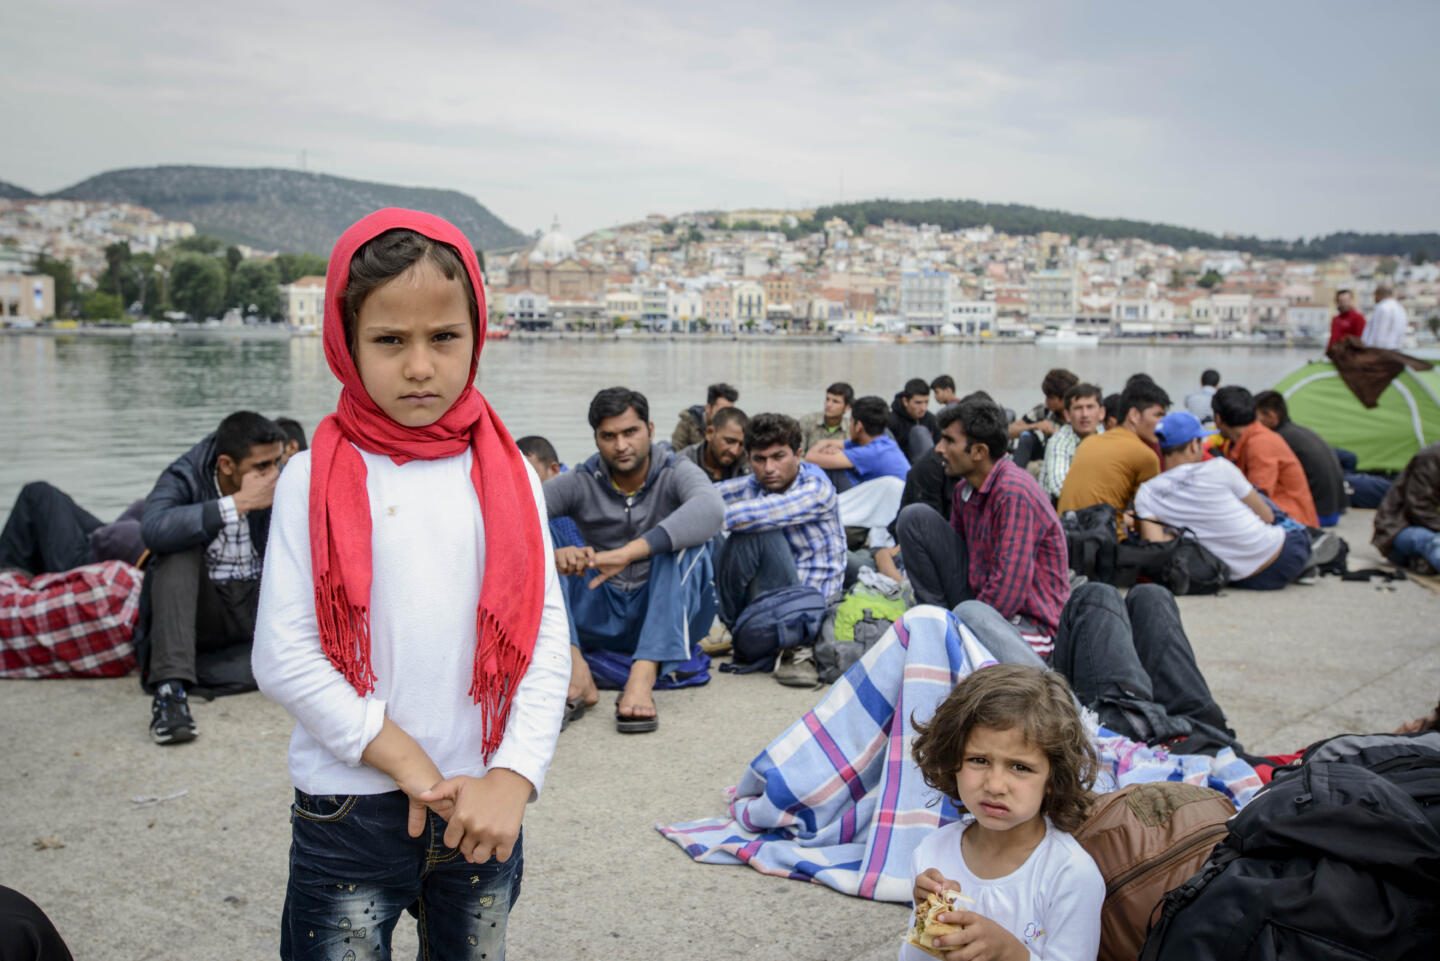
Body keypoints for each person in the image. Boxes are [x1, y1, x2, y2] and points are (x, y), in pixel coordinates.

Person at [250, 210, 571, 960]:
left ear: (476, 335)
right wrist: (408, 763)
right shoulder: (308, 478)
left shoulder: (512, 474)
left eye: (444, 337)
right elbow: (284, 654)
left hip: (483, 806)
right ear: (347, 343)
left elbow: (545, 637)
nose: (420, 366)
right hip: (350, 806)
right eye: (390, 341)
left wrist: (514, 777)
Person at [544, 387, 724, 733]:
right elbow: (512, 513)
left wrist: (629, 553)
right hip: (599, 608)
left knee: (691, 541)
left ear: (650, 430)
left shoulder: (675, 470)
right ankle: (576, 668)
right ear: (596, 439)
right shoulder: (581, 480)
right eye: (608, 436)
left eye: (630, 432)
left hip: (666, 610)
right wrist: (554, 555)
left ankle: (643, 675)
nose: (621, 445)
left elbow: (712, 510)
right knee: (539, 533)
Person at [906, 665, 1104, 961]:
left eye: (1020, 767)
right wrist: (926, 921)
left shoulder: (1070, 875)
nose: (995, 785)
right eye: (979, 760)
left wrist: (1010, 953)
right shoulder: (932, 852)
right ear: (951, 759)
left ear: (1053, 778)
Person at [140, 410, 287, 744]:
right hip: (205, 611)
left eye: (277, 462)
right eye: (262, 466)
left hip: (255, 605)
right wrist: (239, 503)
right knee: (175, 549)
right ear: (226, 465)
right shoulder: (185, 475)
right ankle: (170, 693)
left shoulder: (282, 479)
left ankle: (201, 671)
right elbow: (153, 528)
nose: (273, 474)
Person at [897, 397, 1070, 658]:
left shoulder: (1013, 491)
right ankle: (938, 623)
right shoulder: (964, 490)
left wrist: (966, 628)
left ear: (979, 451)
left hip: (1026, 624)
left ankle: (949, 636)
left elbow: (1008, 591)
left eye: (949, 441)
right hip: (979, 608)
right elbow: (957, 563)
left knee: (956, 640)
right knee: (915, 519)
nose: (939, 449)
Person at [715, 413, 845, 687]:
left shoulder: (816, 489)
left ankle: (794, 649)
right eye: (759, 459)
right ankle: (727, 626)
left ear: (798, 454)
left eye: (778, 457)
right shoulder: (755, 484)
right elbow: (708, 496)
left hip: (805, 611)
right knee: (707, 531)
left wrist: (696, 517)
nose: (769, 468)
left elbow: (757, 514)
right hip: (768, 605)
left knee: (756, 530)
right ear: (748, 459)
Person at [1135, 412, 1314, 590]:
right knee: (1266, 505)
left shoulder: (1147, 492)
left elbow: (1157, 545)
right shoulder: (1220, 467)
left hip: (1242, 579)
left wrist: (1174, 533)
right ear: (1193, 445)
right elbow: (1267, 516)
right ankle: (1313, 541)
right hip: (1285, 555)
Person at [1056, 379, 1169, 526]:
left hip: (1065, 532)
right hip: (1102, 537)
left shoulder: (1089, 442)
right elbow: (1151, 518)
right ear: (1134, 415)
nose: (1163, 423)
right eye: (1158, 415)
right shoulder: (1146, 456)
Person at [1212, 385, 1320, 529]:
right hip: (1279, 514)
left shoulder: (1260, 444)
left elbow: (1258, 496)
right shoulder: (1247, 438)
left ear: (1218, 419)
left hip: (1292, 523)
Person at [0, 483, 146, 575]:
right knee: (48, 498)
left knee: (38, 494)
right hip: (111, 541)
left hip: (96, 562)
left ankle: (7, 581)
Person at [1254, 390, 1346, 527]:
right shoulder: (1299, 431)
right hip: (1335, 510)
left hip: (1317, 514)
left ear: (1271, 416)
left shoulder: (1275, 440)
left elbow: (1264, 485)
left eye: (1254, 418)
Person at [806, 395, 910, 492]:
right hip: (888, 495)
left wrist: (825, 447)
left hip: (891, 501)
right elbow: (837, 444)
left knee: (833, 470)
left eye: (851, 421)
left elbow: (810, 457)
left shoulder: (871, 453)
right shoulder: (883, 441)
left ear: (858, 426)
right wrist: (828, 446)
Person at [1373, 441, 1440, 574]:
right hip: (1399, 527)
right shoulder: (1432, 457)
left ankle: (1423, 561)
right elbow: (1418, 508)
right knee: (1435, 542)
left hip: (1431, 526)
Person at [1039, 382, 1104, 501]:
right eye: (1078, 408)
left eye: (1090, 407)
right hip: (1060, 507)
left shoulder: (1108, 438)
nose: (1085, 414)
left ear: (1101, 413)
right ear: (1067, 415)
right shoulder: (1058, 441)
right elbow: (1060, 487)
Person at [516, 435, 583, 548]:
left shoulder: (571, 495)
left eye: (531, 475)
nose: (524, 483)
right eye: (517, 476)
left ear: (554, 469)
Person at [1008, 368, 1078, 470]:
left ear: (1063, 399)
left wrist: (1056, 434)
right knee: (1027, 436)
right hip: (1043, 456)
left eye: (1050, 398)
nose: (1046, 401)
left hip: (1069, 458)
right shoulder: (1043, 411)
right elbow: (1009, 431)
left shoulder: (1081, 415)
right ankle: (1014, 475)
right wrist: (1035, 426)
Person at [678, 405, 751, 482]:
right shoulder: (681, 464)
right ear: (710, 433)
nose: (734, 451)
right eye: (729, 441)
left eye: (741, 445)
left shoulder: (750, 464)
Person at [887, 377, 942, 463]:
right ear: (905, 401)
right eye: (918, 403)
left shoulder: (931, 420)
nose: (923, 408)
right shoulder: (891, 421)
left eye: (926, 402)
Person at [671, 382, 738, 450]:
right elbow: (676, 451)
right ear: (708, 408)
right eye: (721, 411)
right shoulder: (687, 424)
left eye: (730, 411)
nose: (725, 416)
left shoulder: (734, 428)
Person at [799, 382, 853, 452]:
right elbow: (798, 453)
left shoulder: (851, 429)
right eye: (827, 399)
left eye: (835, 401)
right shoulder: (807, 421)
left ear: (847, 407)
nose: (828, 405)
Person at [1362, 284, 1408, 350]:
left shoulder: (1382, 308)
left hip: (1381, 350)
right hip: (1395, 348)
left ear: (1379, 295)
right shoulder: (1400, 308)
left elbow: (1378, 333)